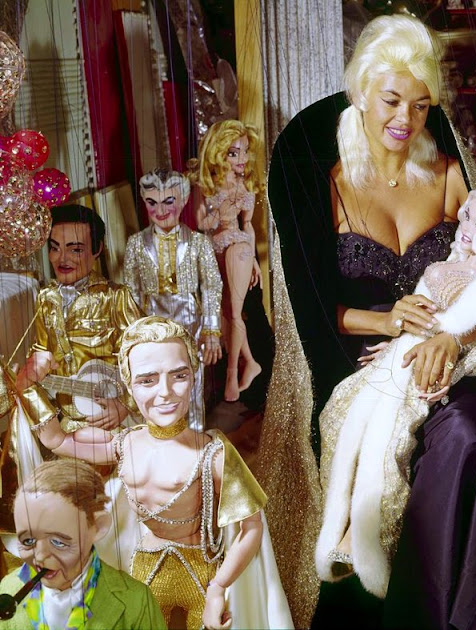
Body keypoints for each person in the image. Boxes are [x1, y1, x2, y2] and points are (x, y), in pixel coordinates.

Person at [258, 14, 476, 630]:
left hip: (457, 356)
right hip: (363, 360)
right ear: (361, 92)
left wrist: (452, 337)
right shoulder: (329, 182)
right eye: (392, 100)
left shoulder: (449, 175)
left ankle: (461, 617)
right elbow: (314, 314)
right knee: (372, 440)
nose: (406, 118)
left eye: (422, 106)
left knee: (465, 436)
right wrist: (386, 323)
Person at [315, 188, 476, 597]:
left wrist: (449, 353)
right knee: (339, 411)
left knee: (389, 435)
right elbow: (420, 315)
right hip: (403, 350)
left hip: (428, 365)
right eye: (466, 217)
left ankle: (366, 537)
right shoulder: (452, 263)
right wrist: (395, 340)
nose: (467, 227)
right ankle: (340, 519)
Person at [31, 316, 293, 630]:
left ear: (194, 376)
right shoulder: (123, 444)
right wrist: (28, 387)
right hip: (145, 571)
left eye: (179, 375)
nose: (165, 392)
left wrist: (219, 587)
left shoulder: (212, 454)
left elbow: (251, 527)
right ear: (128, 385)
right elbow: (56, 439)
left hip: (201, 575)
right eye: (148, 380)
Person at [15, 204, 143, 433]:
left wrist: (126, 404)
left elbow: (145, 356)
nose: (62, 259)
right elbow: (41, 350)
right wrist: (33, 365)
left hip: (111, 419)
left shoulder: (115, 297)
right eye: (55, 248)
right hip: (65, 419)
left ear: (97, 249)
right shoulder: (46, 298)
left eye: (75, 250)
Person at [0, 459, 167, 629]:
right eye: (28, 541)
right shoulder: (7, 589)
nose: (40, 556)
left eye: (58, 542)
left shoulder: (136, 601)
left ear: (97, 527)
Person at [124, 168, 223, 430]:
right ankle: (158, 437)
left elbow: (212, 286)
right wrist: (132, 334)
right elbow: (131, 292)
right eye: (152, 202)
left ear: (184, 200)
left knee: (191, 386)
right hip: (151, 325)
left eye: (168, 201)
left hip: (191, 325)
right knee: (153, 385)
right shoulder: (136, 243)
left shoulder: (198, 243)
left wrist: (211, 330)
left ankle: (194, 439)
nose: (160, 210)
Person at [191, 120, 263, 402]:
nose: (242, 158)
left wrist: (254, 261)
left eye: (244, 151)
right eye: (234, 153)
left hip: (239, 249)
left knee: (234, 313)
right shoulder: (205, 185)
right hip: (214, 250)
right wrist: (217, 211)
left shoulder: (246, 186)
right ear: (219, 153)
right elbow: (202, 224)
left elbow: (248, 226)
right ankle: (250, 362)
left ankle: (233, 374)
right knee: (226, 312)